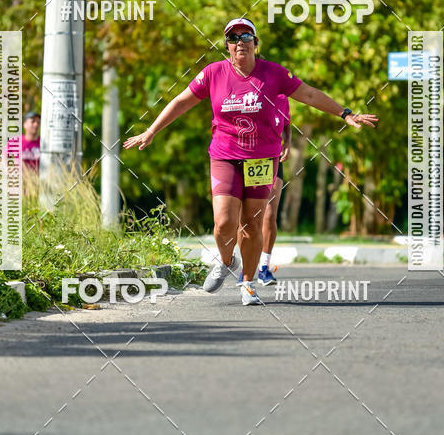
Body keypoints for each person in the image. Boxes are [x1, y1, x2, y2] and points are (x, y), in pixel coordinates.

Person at [124, 17, 378, 306]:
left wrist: (345, 113)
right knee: (223, 224)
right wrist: (152, 130)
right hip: (224, 156)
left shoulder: (274, 74)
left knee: (251, 224)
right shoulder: (213, 73)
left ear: (256, 44)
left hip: (261, 159)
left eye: (246, 37)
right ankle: (225, 260)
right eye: (233, 38)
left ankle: (248, 283)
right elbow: (182, 101)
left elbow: (308, 94)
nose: (240, 42)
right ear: (227, 47)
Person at [237, 94, 290, 286]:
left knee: (269, 214)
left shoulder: (281, 95)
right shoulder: (243, 93)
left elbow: (285, 123)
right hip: (245, 155)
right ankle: (246, 267)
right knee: (247, 217)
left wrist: (288, 143)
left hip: (270, 157)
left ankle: (264, 268)